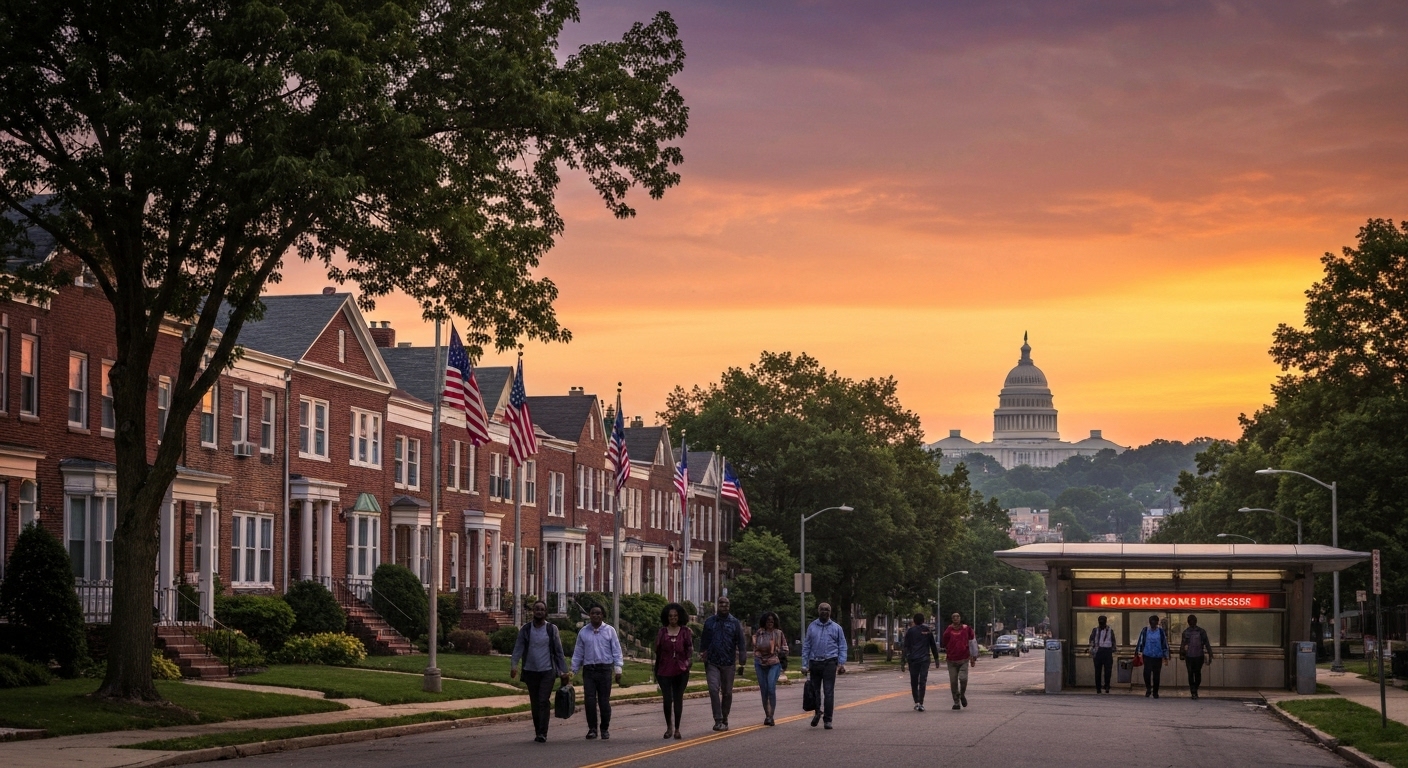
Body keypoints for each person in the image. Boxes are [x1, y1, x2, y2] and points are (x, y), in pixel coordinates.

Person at [509, 600, 571, 742]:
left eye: (542, 609)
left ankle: (543, 732)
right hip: (530, 671)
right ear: (533, 611)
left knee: (543, 701)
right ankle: (538, 730)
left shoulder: (551, 629)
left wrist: (563, 671)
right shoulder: (526, 629)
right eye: (537, 609)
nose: (539, 612)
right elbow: (518, 648)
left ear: (545, 612)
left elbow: (558, 652)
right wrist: (514, 666)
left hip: (547, 671)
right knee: (535, 703)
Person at [572, 604, 624, 740]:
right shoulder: (583, 632)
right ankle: (592, 729)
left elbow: (616, 650)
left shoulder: (609, 631)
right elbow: (578, 652)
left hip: (604, 670)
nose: (596, 615)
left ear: (603, 615)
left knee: (604, 702)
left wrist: (618, 668)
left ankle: (604, 728)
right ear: (589, 615)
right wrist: (573, 670)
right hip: (589, 670)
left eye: (598, 613)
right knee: (589, 701)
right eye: (593, 613)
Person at [700, 597, 747, 731]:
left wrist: (742, 656)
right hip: (712, 661)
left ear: (729, 606)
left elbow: (741, 642)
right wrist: (702, 652)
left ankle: (725, 717)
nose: (724, 606)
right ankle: (718, 719)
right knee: (713, 689)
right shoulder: (710, 622)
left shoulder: (734, 623)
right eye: (721, 604)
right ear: (717, 606)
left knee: (727, 692)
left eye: (726, 604)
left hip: (728, 662)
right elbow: (704, 640)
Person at [802, 602, 848, 729]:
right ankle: (817, 712)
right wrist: (804, 664)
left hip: (829, 662)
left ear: (830, 612)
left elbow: (842, 646)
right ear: (818, 611)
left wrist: (841, 664)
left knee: (828, 692)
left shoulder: (836, 628)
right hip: (815, 662)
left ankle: (828, 719)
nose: (824, 612)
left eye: (827, 610)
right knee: (815, 692)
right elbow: (807, 646)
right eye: (822, 609)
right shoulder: (812, 627)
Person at [653, 602, 693, 740]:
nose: (673, 618)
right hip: (664, 670)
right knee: (667, 699)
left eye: (675, 616)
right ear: (667, 617)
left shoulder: (685, 632)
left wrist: (687, 663)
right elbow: (657, 651)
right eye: (670, 616)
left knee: (678, 698)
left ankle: (677, 728)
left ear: (679, 616)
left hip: (681, 670)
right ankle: (668, 727)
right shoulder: (662, 632)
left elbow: (689, 650)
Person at [753, 611, 789, 726]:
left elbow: (786, 649)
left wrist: (779, 650)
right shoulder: (759, 633)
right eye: (768, 621)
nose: (770, 623)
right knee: (764, 690)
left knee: (770, 688)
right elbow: (755, 646)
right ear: (764, 621)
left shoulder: (779, 633)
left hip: (774, 663)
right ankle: (767, 715)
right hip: (760, 663)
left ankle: (771, 715)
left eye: (772, 621)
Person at [901, 612, 941, 711]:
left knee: (914, 681)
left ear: (914, 621)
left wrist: (903, 661)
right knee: (922, 681)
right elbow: (933, 646)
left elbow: (906, 646)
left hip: (913, 659)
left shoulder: (910, 631)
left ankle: (917, 702)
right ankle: (921, 702)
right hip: (924, 659)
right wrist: (936, 659)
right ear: (923, 621)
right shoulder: (927, 630)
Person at [940, 612, 976, 710]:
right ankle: (956, 702)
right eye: (954, 617)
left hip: (964, 658)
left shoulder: (966, 629)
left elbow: (972, 642)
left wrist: (973, 656)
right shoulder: (948, 630)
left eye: (957, 617)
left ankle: (962, 694)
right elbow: (945, 642)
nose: (956, 618)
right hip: (951, 660)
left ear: (960, 618)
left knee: (963, 678)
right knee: (953, 681)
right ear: (952, 619)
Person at [1135, 614, 1170, 698]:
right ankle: (1148, 689)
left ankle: (1155, 691)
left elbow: (1164, 643)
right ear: (1149, 622)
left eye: (1154, 623)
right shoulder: (1145, 630)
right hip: (1147, 655)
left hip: (1158, 656)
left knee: (1156, 675)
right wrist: (1138, 652)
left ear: (1157, 623)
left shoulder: (1161, 631)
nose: (1153, 624)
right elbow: (1141, 641)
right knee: (1146, 673)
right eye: (1151, 622)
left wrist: (1166, 655)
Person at [1180, 614, 1213, 700]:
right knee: (1196, 673)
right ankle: (1194, 690)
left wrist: (1182, 654)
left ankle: (1194, 690)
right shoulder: (1201, 631)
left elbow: (1183, 645)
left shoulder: (1186, 632)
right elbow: (1207, 643)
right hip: (1197, 655)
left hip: (1191, 656)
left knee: (1192, 674)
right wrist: (1210, 654)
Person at [1088, 615, 1116, 694]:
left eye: (1103, 623)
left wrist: (1113, 649)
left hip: (1107, 651)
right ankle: (1098, 688)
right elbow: (1091, 639)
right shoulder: (1095, 630)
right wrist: (1093, 648)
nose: (1102, 625)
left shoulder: (1110, 630)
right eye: (1100, 623)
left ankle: (1107, 686)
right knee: (1098, 671)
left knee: (1108, 671)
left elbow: (1113, 640)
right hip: (1098, 651)